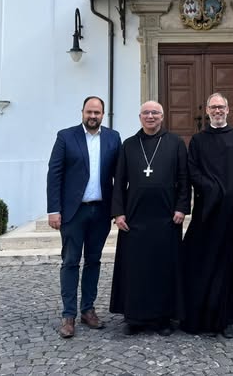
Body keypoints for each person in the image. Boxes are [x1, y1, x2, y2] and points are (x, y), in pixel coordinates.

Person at [109, 100, 190, 336]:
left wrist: (182, 208)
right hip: (135, 217)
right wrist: (118, 212)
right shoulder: (129, 145)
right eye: (146, 113)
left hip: (166, 217)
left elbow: (184, 179)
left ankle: (163, 318)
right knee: (135, 269)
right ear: (140, 117)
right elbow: (119, 181)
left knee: (163, 268)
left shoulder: (175, 143)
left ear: (162, 117)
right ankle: (134, 318)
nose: (150, 116)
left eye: (155, 113)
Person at [47, 96, 121, 338]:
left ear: (103, 114)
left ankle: (88, 310)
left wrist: (118, 209)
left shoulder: (113, 138)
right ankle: (68, 315)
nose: (93, 116)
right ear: (82, 112)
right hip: (73, 211)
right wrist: (54, 209)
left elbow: (119, 175)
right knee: (70, 261)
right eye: (89, 112)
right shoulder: (66, 137)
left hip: (100, 210)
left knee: (93, 261)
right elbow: (54, 174)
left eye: (97, 112)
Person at [181, 93, 233, 338]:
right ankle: (200, 317)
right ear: (207, 111)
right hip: (206, 211)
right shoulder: (198, 141)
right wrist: (212, 190)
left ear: (228, 110)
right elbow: (192, 170)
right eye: (213, 107)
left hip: (232, 212)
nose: (217, 111)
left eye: (221, 107)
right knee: (201, 261)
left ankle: (228, 318)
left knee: (230, 264)